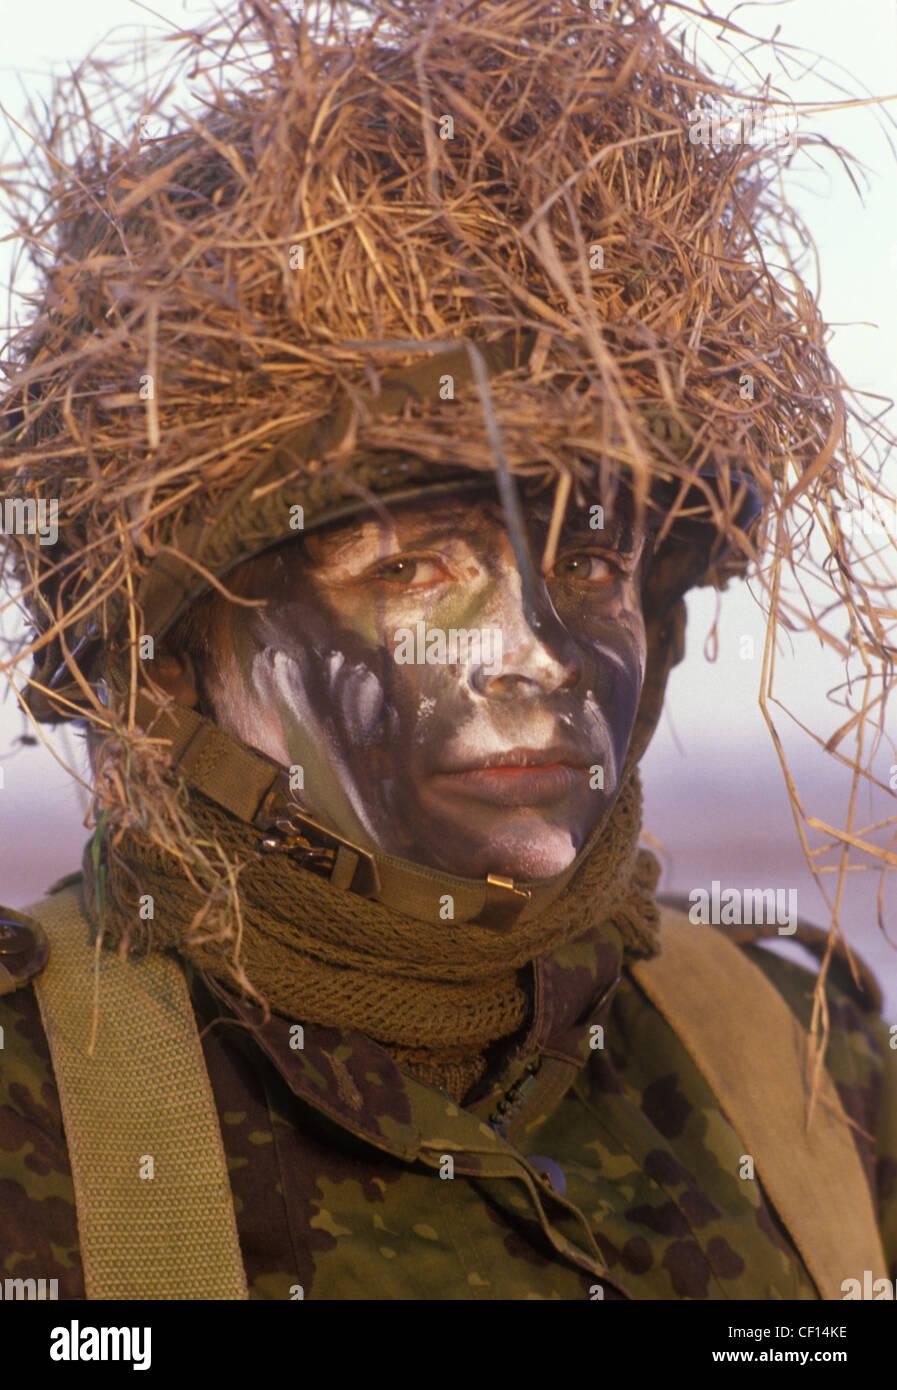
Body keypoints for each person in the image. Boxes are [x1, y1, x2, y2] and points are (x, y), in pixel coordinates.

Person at [1, 0, 895, 1302]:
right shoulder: (32, 1102)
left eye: (588, 566)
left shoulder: (807, 1063)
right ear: (171, 656)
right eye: (412, 568)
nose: (536, 656)